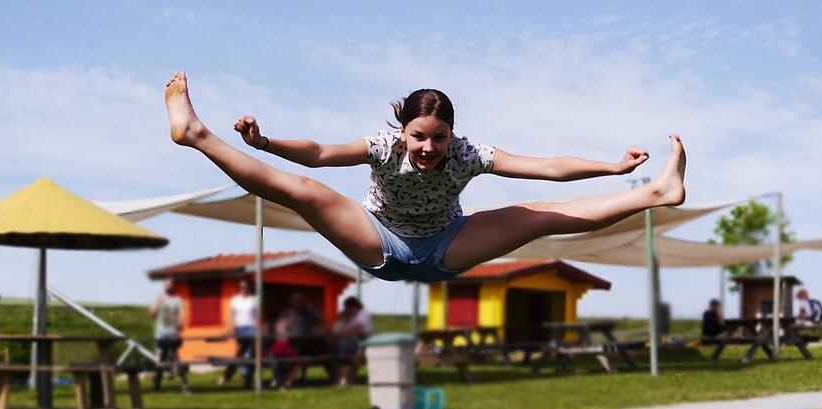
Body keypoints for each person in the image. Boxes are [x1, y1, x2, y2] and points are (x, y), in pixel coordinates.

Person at [165, 72, 686, 283]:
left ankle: (658, 192)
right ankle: (196, 135)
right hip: (380, 240)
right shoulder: (382, 147)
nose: (428, 148)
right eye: (419, 136)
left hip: (446, 247)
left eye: (439, 137)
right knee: (304, 193)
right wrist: (265, 143)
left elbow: (548, 168)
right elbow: (319, 154)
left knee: (539, 216)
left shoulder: (467, 153)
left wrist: (611, 167)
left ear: (452, 134)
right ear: (403, 130)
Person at [149, 278, 189, 393]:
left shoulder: (178, 300)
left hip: (172, 333)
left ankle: (184, 386)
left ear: (173, 286)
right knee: (159, 359)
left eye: (170, 284)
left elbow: (182, 316)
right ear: (164, 286)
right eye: (166, 284)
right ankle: (156, 386)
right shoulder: (159, 298)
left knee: (176, 359)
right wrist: (157, 305)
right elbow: (152, 315)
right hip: (161, 333)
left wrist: (180, 324)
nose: (168, 286)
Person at [224, 279, 258, 387]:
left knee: (250, 352)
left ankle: (246, 375)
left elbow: (258, 314)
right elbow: (231, 315)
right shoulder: (235, 300)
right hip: (239, 328)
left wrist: (259, 327)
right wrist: (231, 327)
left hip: (251, 327)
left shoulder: (254, 299)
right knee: (240, 352)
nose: (244, 289)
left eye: (246, 287)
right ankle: (231, 375)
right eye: (242, 287)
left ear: (249, 288)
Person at [332, 296, 371, 386]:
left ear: (353, 306)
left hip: (361, 343)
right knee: (336, 352)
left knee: (343, 352)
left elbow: (359, 329)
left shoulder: (362, 314)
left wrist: (344, 333)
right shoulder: (348, 316)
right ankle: (341, 377)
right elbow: (337, 330)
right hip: (349, 342)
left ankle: (343, 379)